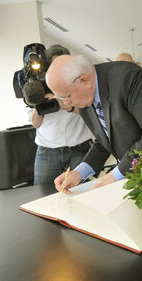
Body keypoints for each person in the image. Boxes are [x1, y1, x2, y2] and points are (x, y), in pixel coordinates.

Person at [45, 56, 142, 192]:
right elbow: (104, 139)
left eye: (66, 96)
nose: (66, 103)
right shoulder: (84, 99)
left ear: (84, 80)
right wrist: (79, 172)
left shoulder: (129, 78)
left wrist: (115, 175)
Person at [27, 44, 93, 185]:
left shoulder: (79, 81)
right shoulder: (38, 87)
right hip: (47, 152)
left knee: (80, 194)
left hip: (79, 150)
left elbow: (90, 113)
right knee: (42, 196)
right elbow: (35, 123)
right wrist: (39, 103)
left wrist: (66, 105)